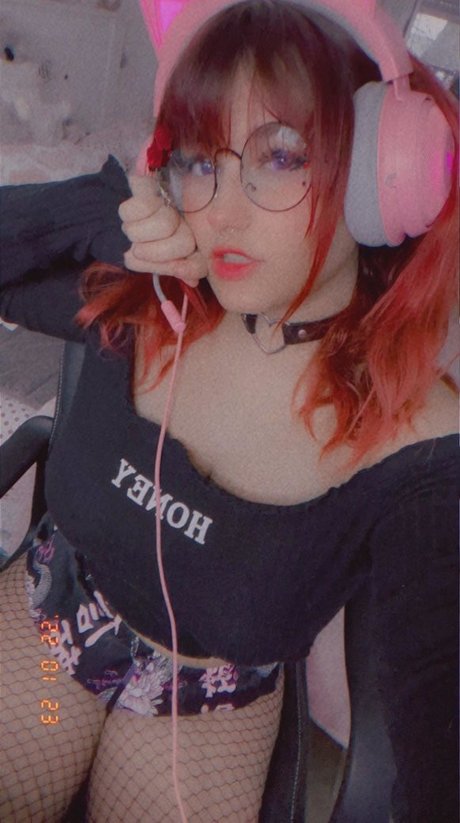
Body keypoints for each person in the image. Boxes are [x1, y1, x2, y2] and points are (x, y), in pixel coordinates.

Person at [0, 1, 458, 821]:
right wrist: (95, 218)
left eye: (279, 154)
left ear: (379, 172)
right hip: (52, 632)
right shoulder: (148, 299)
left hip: (205, 700)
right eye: (195, 159)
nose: (220, 213)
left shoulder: (414, 440)